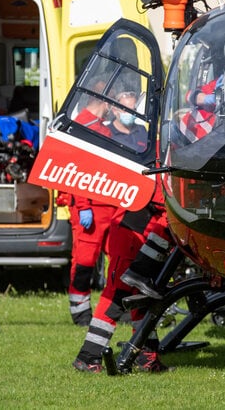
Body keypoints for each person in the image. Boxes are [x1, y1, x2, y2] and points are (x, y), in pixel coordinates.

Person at [72, 91, 172, 373]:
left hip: (139, 234)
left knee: (142, 298)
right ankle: (88, 356)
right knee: (116, 295)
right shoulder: (134, 148)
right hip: (128, 233)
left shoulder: (150, 145)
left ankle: (146, 356)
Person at [65, 78, 117, 325]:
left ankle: (115, 308)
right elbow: (74, 172)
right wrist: (84, 207)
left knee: (117, 259)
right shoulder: (82, 126)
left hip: (110, 206)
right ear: (104, 101)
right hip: (90, 208)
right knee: (85, 260)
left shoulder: (102, 127)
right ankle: (80, 311)